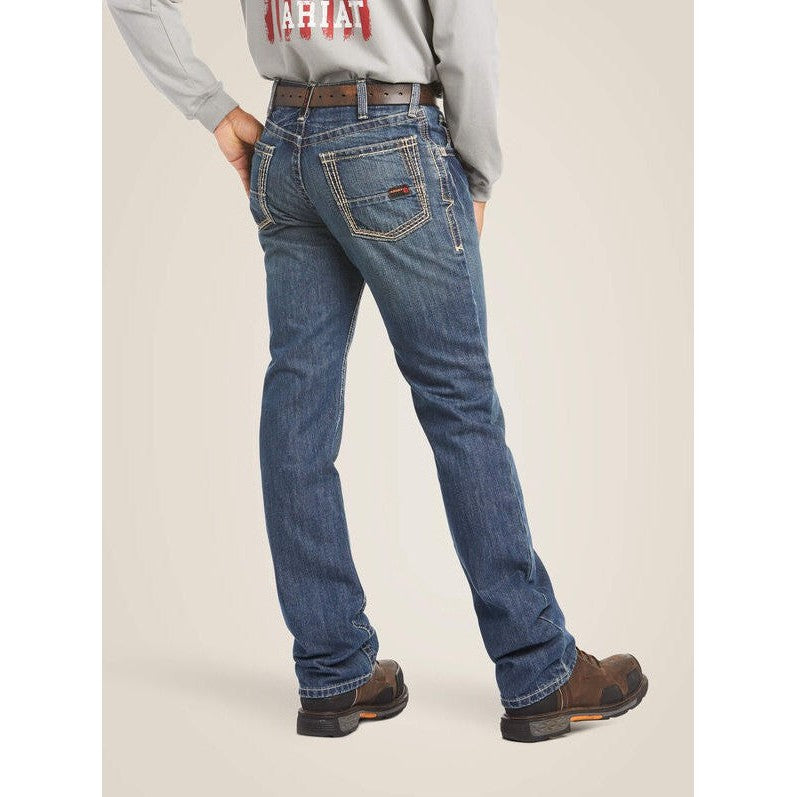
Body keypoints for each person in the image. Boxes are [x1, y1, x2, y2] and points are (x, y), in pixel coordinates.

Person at [106, 0, 648, 742]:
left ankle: (333, 672)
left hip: (285, 144)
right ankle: (538, 671)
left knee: (298, 402)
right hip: (391, 142)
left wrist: (213, 107)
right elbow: (466, 35)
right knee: (459, 405)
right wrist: (477, 175)